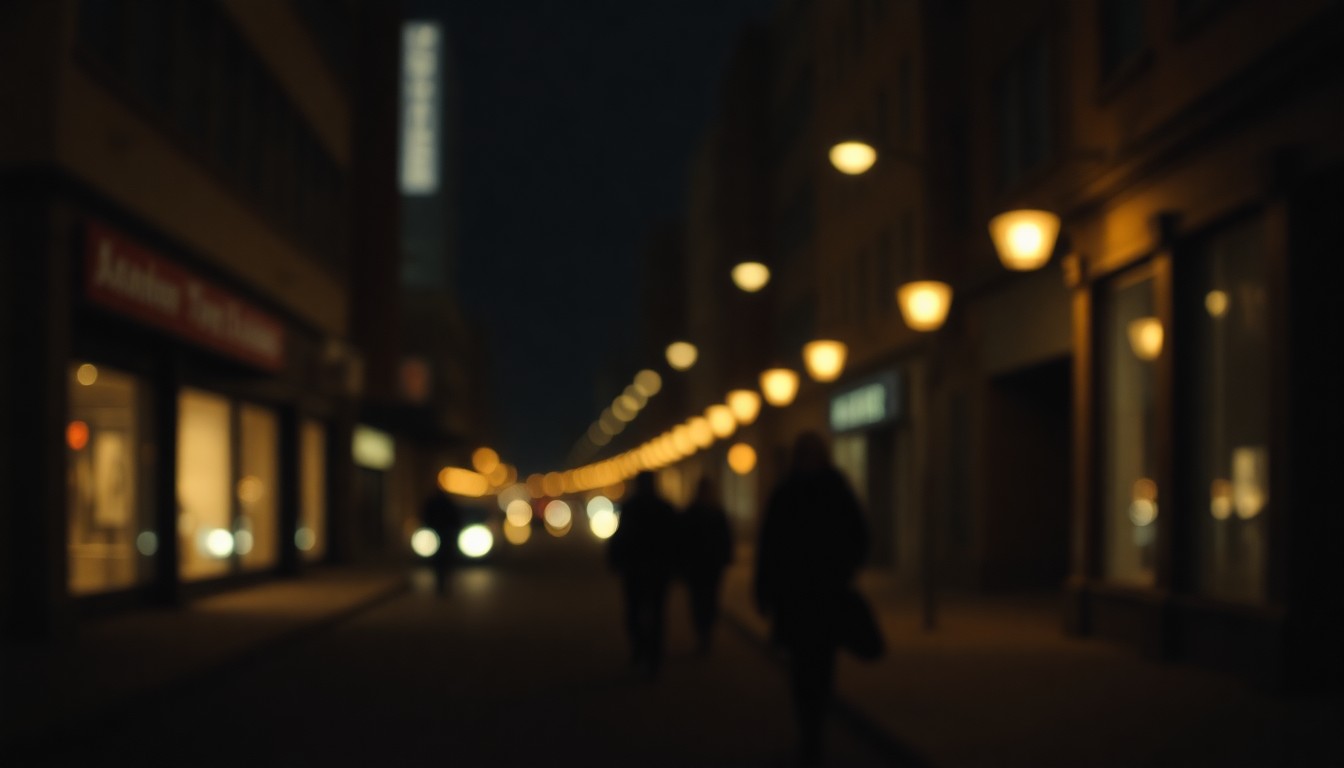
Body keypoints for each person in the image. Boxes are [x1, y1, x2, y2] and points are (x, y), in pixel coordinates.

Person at [754, 431, 869, 766]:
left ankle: (814, 732)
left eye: (813, 454)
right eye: (805, 454)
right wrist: (764, 591)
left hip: (826, 596)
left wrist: (844, 570)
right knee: (802, 669)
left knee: (822, 666)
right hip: (794, 599)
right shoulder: (786, 493)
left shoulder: (836, 490)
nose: (809, 461)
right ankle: (810, 733)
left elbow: (859, 535)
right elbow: (770, 546)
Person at [606, 471, 677, 679]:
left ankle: (640, 650)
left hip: (635, 571)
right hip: (657, 572)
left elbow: (620, 537)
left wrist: (615, 561)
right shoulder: (664, 508)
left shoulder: (631, 508)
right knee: (656, 614)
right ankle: (654, 656)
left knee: (635, 613)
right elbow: (675, 541)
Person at [677, 476, 733, 655]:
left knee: (708, 601)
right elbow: (683, 541)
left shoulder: (714, 513)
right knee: (699, 601)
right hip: (699, 567)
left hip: (710, 566)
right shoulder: (697, 513)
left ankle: (705, 634)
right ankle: (703, 633)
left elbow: (725, 539)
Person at [421, 480, 462, 597]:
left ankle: (441, 585)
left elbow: (425, 516)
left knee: (439, 560)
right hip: (444, 534)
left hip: (439, 533)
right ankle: (443, 585)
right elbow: (455, 518)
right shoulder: (447, 502)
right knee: (445, 559)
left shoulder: (434, 502)